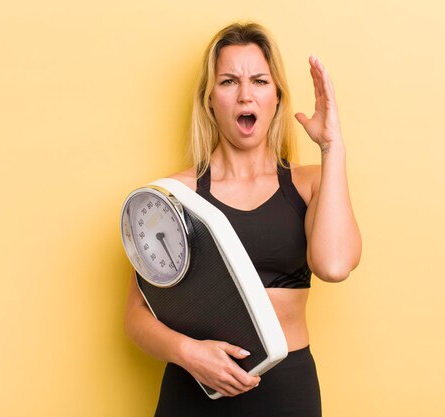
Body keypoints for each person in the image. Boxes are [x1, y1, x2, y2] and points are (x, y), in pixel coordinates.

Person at [125, 22, 361, 417]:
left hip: (287, 392)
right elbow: (136, 315)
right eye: (229, 81)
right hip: (194, 390)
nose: (246, 94)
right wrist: (189, 353)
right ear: (210, 99)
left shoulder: (310, 183)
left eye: (260, 81)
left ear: (278, 98)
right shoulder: (173, 196)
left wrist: (331, 146)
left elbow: (334, 266)